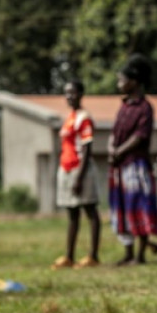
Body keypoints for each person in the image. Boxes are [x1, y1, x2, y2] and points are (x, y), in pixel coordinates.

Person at [108, 55, 157, 266]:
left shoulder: (144, 107)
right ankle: (128, 252)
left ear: (135, 81)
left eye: (122, 80)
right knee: (122, 207)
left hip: (135, 165)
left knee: (139, 206)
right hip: (120, 166)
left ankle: (140, 255)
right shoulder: (123, 106)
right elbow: (115, 132)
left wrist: (119, 151)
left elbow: (140, 136)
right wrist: (112, 148)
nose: (119, 84)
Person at [52, 80, 103, 269]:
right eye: (66, 93)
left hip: (80, 169)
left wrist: (79, 177)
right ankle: (69, 256)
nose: (69, 96)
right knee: (72, 213)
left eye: (72, 93)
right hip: (66, 168)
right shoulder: (70, 117)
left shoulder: (84, 118)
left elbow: (87, 147)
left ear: (81, 94)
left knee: (90, 210)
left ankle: (93, 256)